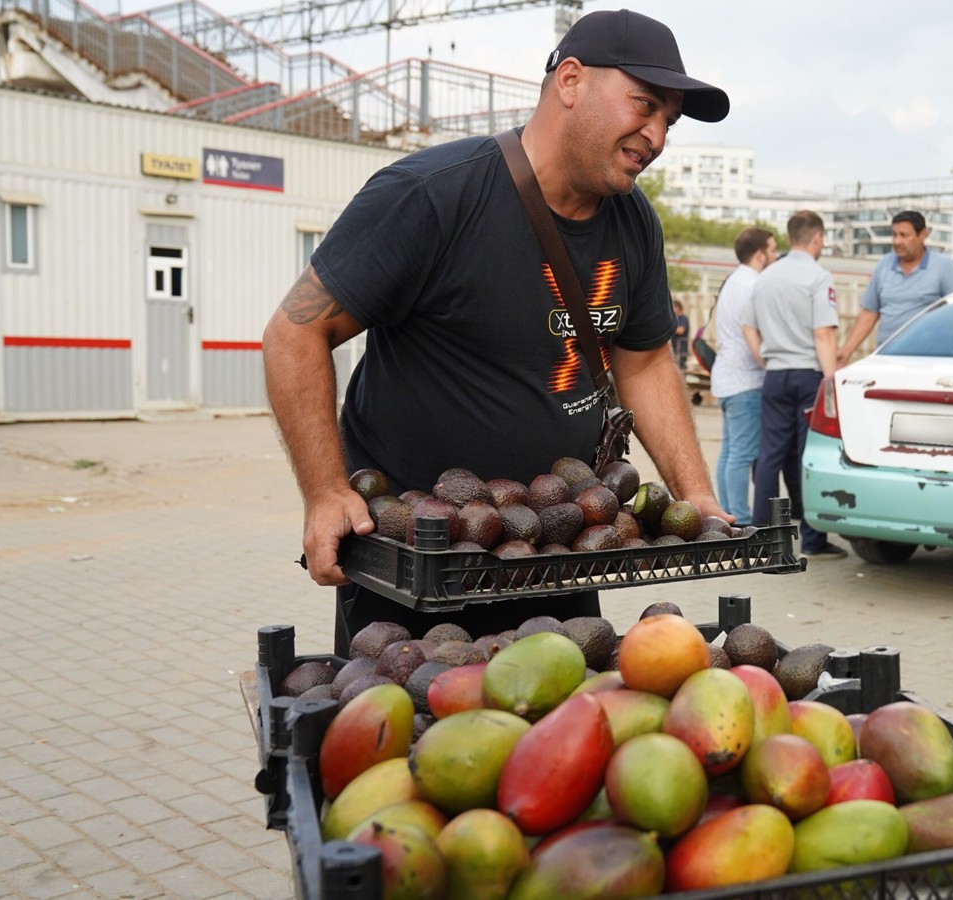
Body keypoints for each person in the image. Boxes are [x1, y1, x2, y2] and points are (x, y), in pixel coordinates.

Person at [260, 9, 731, 652]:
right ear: (570, 81)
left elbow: (644, 362)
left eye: (667, 121)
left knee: (557, 734)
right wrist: (324, 493)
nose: (655, 135)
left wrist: (695, 495)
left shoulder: (634, 223)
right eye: (644, 105)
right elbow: (294, 333)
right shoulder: (432, 194)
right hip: (417, 561)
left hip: (564, 549)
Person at [744, 211, 847, 559]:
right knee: (809, 457)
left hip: (774, 374)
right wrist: (830, 382)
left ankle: (762, 536)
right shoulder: (819, 277)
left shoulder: (765, 278)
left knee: (770, 455)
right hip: (807, 376)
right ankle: (813, 539)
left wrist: (765, 360)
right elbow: (823, 334)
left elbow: (749, 328)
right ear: (816, 238)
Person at [708, 227, 777, 525]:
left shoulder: (733, 280)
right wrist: (768, 364)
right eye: (773, 250)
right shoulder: (753, 285)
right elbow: (755, 333)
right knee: (742, 453)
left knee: (730, 451)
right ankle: (741, 518)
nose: (775, 256)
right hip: (746, 380)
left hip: (726, 377)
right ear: (760, 253)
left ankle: (726, 512)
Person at [836, 210, 953, 367]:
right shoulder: (884, 265)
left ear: (923, 235)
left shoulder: (944, 267)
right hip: (887, 357)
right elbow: (870, 313)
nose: (897, 241)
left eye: (904, 235)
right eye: (894, 234)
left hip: (928, 360)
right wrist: (846, 352)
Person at [672, 299, 691, 369]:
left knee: (680, 368)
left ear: (678, 308)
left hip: (681, 350)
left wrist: (669, 329)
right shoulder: (675, 319)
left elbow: (681, 330)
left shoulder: (683, 318)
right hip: (675, 349)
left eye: (673, 307)